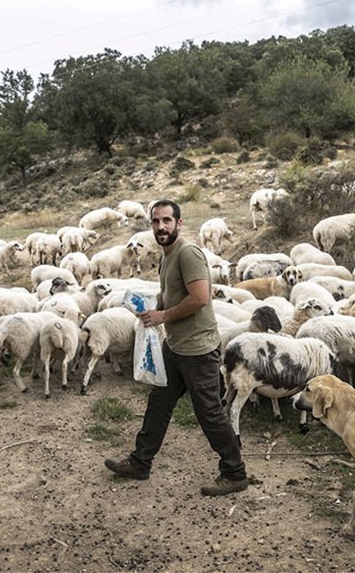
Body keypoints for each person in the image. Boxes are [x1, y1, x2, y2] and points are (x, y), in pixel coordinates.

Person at [104, 199, 248, 496]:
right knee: (159, 404)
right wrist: (151, 307)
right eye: (156, 221)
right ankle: (140, 462)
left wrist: (163, 316)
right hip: (176, 347)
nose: (161, 227)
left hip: (198, 351)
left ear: (179, 224)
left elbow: (199, 298)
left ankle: (235, 473)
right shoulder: (168, 255)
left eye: (167, 221)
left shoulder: (187, 253)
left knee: (209, 413)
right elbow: (172, 293)